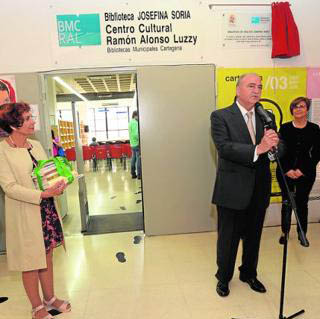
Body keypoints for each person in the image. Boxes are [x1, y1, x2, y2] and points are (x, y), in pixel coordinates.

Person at [210, 73, 279, 297]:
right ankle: (224, 278)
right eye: (251, 86)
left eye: (259, 86)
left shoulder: (266, 115)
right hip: (232, 190)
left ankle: (248, 273)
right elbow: (224, 147)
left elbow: (278, 145)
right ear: (238, 89)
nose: (256, 90)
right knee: (228, 239)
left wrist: (274, 150)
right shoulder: (220, 116)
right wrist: (258, 149)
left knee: (254, 237)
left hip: (259, 189)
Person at [0, 103, 71, 319]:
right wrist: (41, 195)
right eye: (28, 118)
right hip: (25, 212)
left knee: (46, 256)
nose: (33, 122)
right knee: (29, 261)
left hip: (46, 210)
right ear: (13, 124)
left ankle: (50, 298)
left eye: (31, 117)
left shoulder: (36, 145)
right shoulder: (2, 151)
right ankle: (36, 306)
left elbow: (48, 172)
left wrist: (59, 183)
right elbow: (9, 187)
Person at [276, 97, 320, 247]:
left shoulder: (315, 129)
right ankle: (285, 232)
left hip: (306, 173)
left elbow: (317, 153)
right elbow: (279, 152)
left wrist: (302, 170)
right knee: (287, 202)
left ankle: (302, 233)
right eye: (295, 107)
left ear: (307, 110)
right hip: (285, 172)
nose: (298, 109)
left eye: (302, 106)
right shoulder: (284, 128)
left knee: (302, 202)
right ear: (292, 110)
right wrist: (288, 170)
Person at [129, 110, 141, 179]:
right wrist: (140, 140)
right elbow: (136, 134)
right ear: (135, 115)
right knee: (139, 159)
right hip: (137, 143)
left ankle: (133, 173)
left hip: (132, 144)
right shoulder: (135, 123)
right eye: (138, 116)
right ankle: (139, 175)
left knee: (133, 159)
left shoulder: (130, 122)